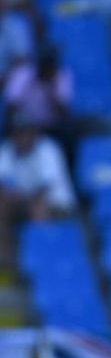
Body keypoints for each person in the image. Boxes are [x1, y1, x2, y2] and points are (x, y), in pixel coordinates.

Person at [0, 115, 75, 269]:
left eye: (26, 132)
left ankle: (44, 267)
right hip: (23, 202)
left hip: (57, 204)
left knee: (39, 209)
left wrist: (22, 198)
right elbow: (3, 184)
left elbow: (45, 188)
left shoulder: (48, 149)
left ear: (34, 134)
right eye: (19, 133)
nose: (22, 137)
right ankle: (7, 264)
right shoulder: (7, 150)